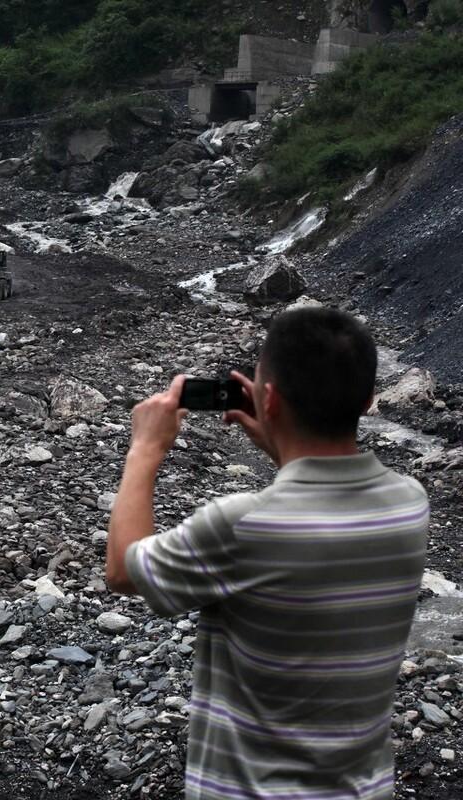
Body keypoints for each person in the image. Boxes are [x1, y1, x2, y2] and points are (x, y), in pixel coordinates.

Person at [105, 307, 428, 800]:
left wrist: (145, 449)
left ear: (268, 399)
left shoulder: (242, 524)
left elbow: (124, 570)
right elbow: (321, 510)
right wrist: (282, 444)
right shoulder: (410, 502)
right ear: (367, 401)